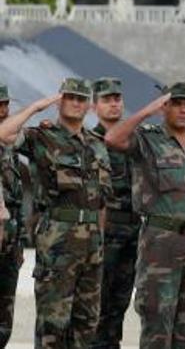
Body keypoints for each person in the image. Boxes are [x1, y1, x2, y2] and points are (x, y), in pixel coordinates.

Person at [0, 78, 111, 348]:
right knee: (53, 326)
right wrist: (37, 107)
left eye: (81, 98)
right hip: (57, 244)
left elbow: (101, 200)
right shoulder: (43, 137)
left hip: (92, 246)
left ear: (89, 106)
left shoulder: (96, 144)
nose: (75, 102)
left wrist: (101, 239)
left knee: (87, 325)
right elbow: (3, 134)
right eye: (70, 97)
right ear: (60, 100)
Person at [104, 83, 185, 348]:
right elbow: (113, 138)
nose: (183, 109)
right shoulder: (148, 139)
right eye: (176, 103)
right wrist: (147, 110)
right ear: (164, 106)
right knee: (157, 322)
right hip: (161, 243)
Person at [89, 77, 138, 349]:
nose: (113, 104)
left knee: (120, 303)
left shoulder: (132, 142)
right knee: (98, 301)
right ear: (95, 106)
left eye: (117, 99)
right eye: (107, 100)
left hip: (133, 231)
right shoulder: (90, 141)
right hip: (106, 231)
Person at [0, 83, 25, 347]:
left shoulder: (10, 149)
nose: (4, 110)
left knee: (5, 319)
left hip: (10, 245)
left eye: (6, 104)